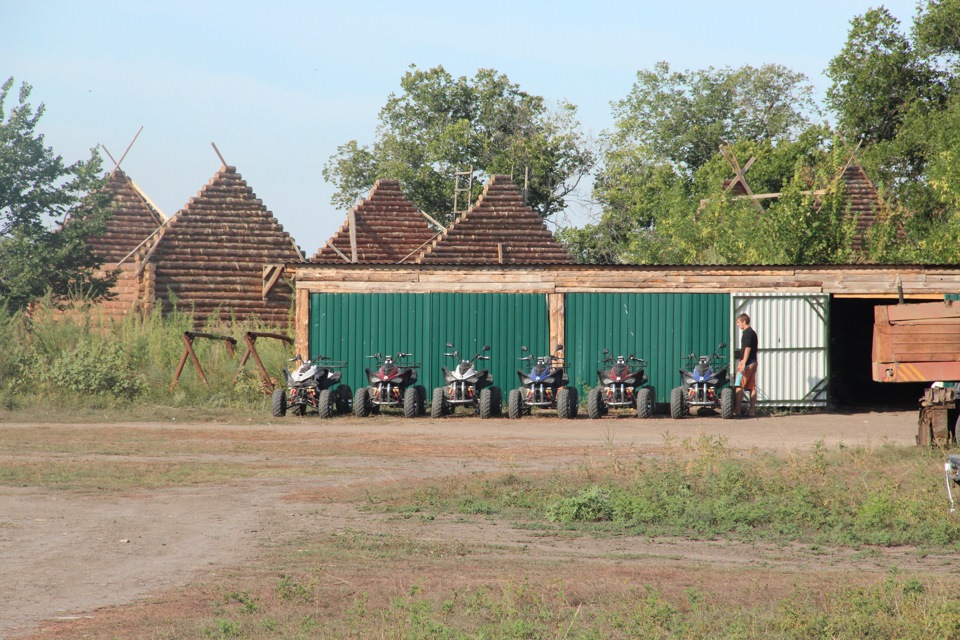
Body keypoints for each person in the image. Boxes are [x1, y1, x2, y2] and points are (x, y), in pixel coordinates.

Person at [735, 313, 758, 417]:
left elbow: (747, 348)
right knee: (752, 387)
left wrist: (743, 362)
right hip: (754, 362)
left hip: (747, 363)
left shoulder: (747, 333)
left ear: (744, 321)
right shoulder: (753, 332)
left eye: (738, 322)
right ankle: (752, 411)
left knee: (739, 385)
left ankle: (738, 410)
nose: (738, 325)